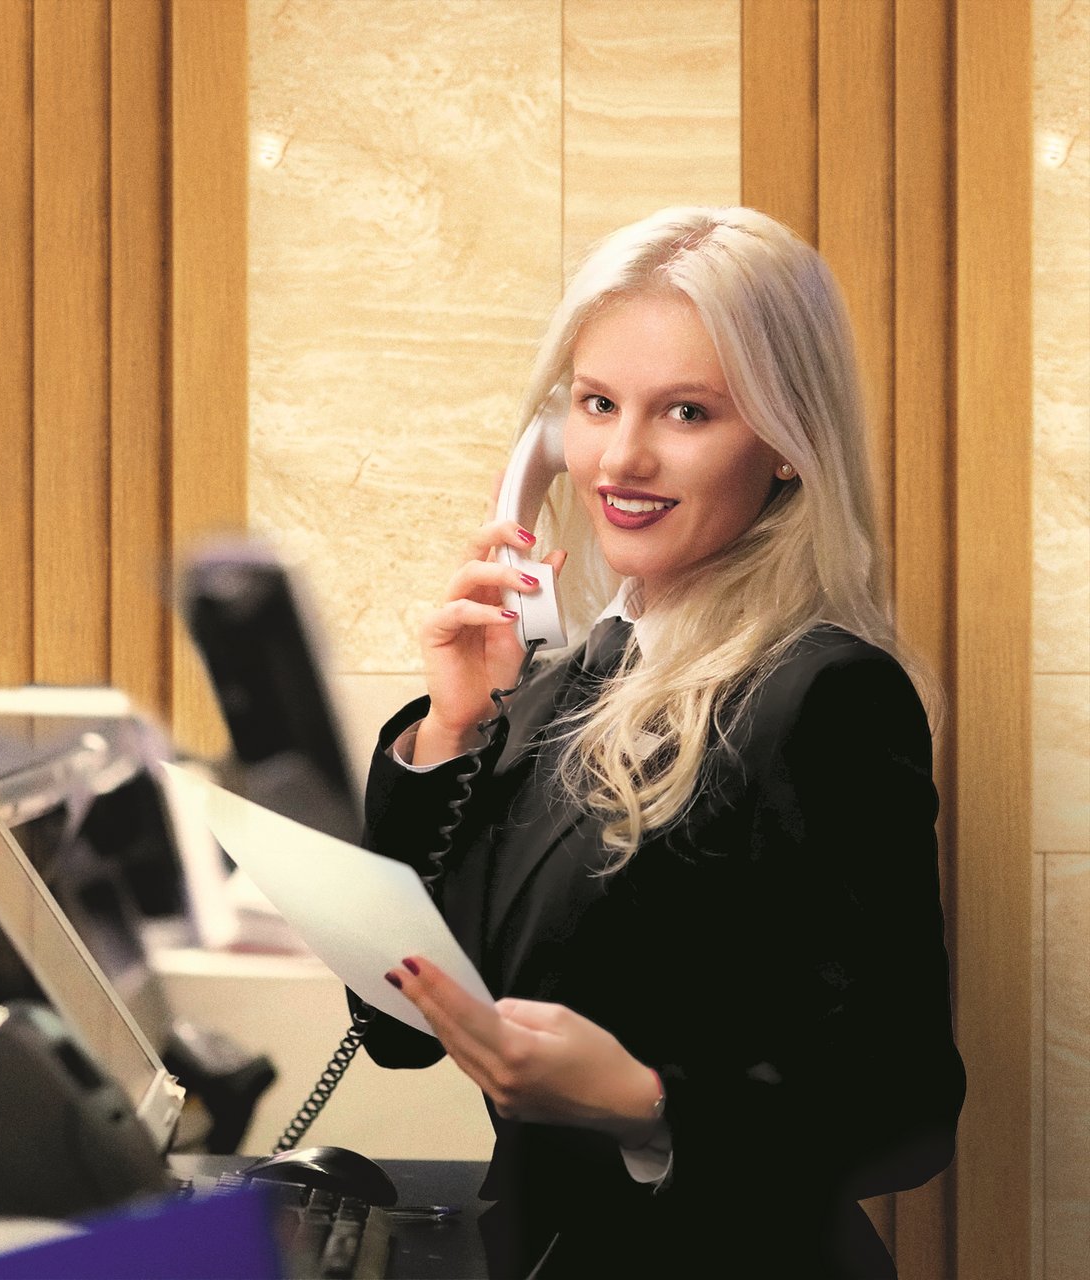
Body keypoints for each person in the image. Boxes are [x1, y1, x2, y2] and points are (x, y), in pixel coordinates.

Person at [359, 206, 963, 1279]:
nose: (622, 458)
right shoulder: (558, 682)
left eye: (687, 411)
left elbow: (905, 1109)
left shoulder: (824, 693)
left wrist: (643, 1104)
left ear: (785, 444)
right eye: (597, 404)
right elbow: (400, 1028)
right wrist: (449, 731)